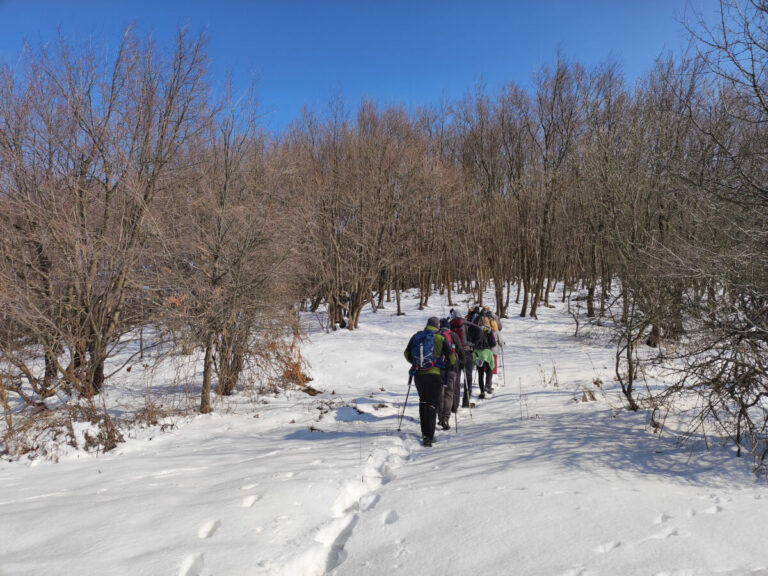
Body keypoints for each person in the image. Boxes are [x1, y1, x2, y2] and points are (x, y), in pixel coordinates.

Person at [404, 316, 456, 447]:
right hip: (435, 374)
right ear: (438, 326)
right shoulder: (440, 337)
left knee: (423, 403)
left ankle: (424, 434)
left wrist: (416, 363)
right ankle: (430, 437)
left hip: (419, 376)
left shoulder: (416, 337)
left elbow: (406, 354)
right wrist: (445, 364)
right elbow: (451, 357)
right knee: (432, 405)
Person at [438, 318, 464, 430]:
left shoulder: (436, 336)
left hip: (438, 368)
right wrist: (461, 364)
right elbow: (460, 350)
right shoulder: (453, 335)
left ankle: (440, 417)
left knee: (440, 393)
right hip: (452, 368)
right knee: (449, 393)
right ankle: (446, 417)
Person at [449, 310, 474, 408]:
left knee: (457, 378)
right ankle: (466, 401)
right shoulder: (465, 323)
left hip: (455, 353)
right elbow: (479, 330)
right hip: (466, 351)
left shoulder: (450, 325)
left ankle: (455, 404)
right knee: (468, 377)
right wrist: (473, 344)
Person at [473, 317, 496, 398]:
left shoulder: (476, 330)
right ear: (487, 322)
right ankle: (487, 385)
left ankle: (482, 392)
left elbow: (473, 342)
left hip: (478, 354)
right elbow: (493, 343)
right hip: (487, 353)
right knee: (489, 369)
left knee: (480, 373)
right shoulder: (489, 331)